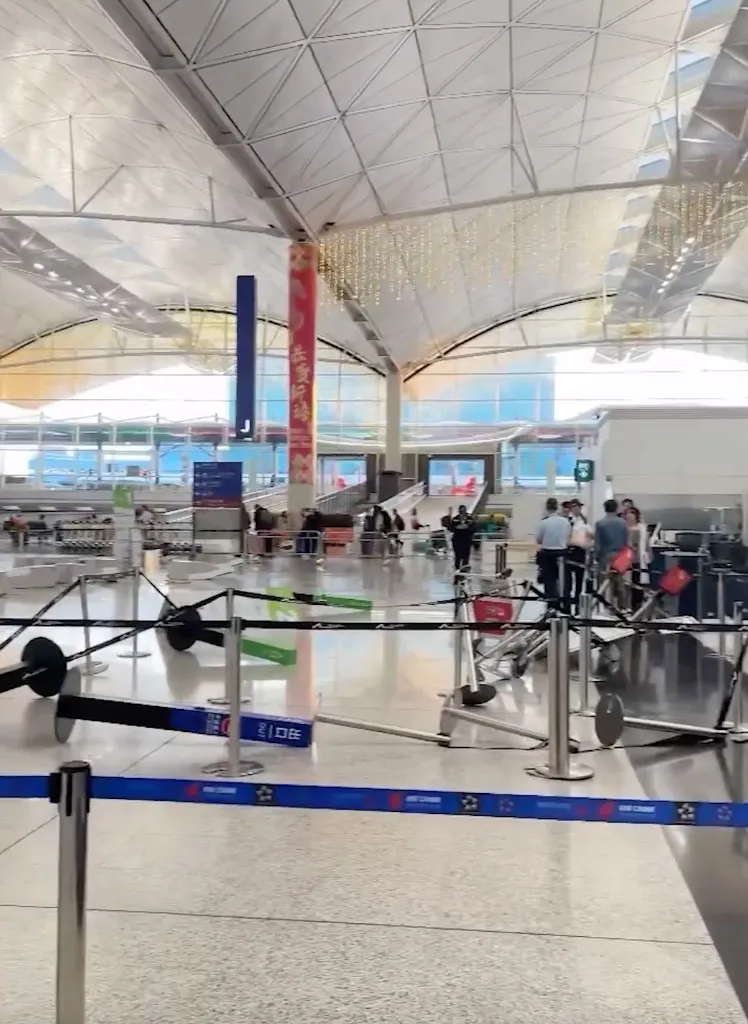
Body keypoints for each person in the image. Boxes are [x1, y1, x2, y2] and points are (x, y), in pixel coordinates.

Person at [535, 498, 570, 605]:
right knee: (563, 578)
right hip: (562, 552)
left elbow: (539, 540)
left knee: (549, 579)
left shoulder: (544, 522)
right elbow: (568, 536)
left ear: (547, 508)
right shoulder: (565, 521)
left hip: (547, 553)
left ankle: (551, 601)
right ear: (557, 507)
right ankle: (564, 598)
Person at [595, 498, 630, 604]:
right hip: (620, 555)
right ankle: (622, 606)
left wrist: (597, 556)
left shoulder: (600, 523)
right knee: (619, 582)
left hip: (605, 555)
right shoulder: (623, 523)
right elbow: (626, 541)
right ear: (616, 508)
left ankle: (604, 605)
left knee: (604, 582)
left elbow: (598, 543)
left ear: (605, 509)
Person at [564, 498, 592, 612]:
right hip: (569, 551)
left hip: (580, 551)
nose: (576, 509)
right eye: (573, 507)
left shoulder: (584, 521)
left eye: (578, 507)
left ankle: (577, 604)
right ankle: (567, 604)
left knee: (579, 579)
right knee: (567, 580)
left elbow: (590, 534)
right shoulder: (567, 520)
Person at [624, 505, 649, 612]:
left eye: (632, 513)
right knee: (625, 584)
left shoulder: (641, 528)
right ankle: (625, 606)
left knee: (637, 583)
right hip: (625, 560)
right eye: (628, 513)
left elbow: (646, 544)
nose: (630, 515)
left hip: (637, 559)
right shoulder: (623, 528)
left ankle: (636, 606)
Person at [448, 504, 475, 573]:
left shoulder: (470, 519)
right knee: (457, 555)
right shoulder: (455, 519)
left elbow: (473, 528)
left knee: (466, 555)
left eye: (463, 511)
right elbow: (451, 528)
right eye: (461, 511)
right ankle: (457, 569)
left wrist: (466, 527)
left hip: (467, 540)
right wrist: (461, 527)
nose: (462, 513)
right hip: (457, 540)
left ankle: (464, 570)